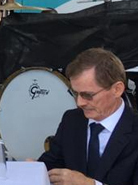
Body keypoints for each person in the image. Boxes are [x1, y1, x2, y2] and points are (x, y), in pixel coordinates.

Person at [39, 48, 137, 185]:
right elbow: (52, 164)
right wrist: (35, 170)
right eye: (75, 93)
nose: (80, 103)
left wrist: (89, 184)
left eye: (88, 95)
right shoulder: (72, 120)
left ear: (117, 89)